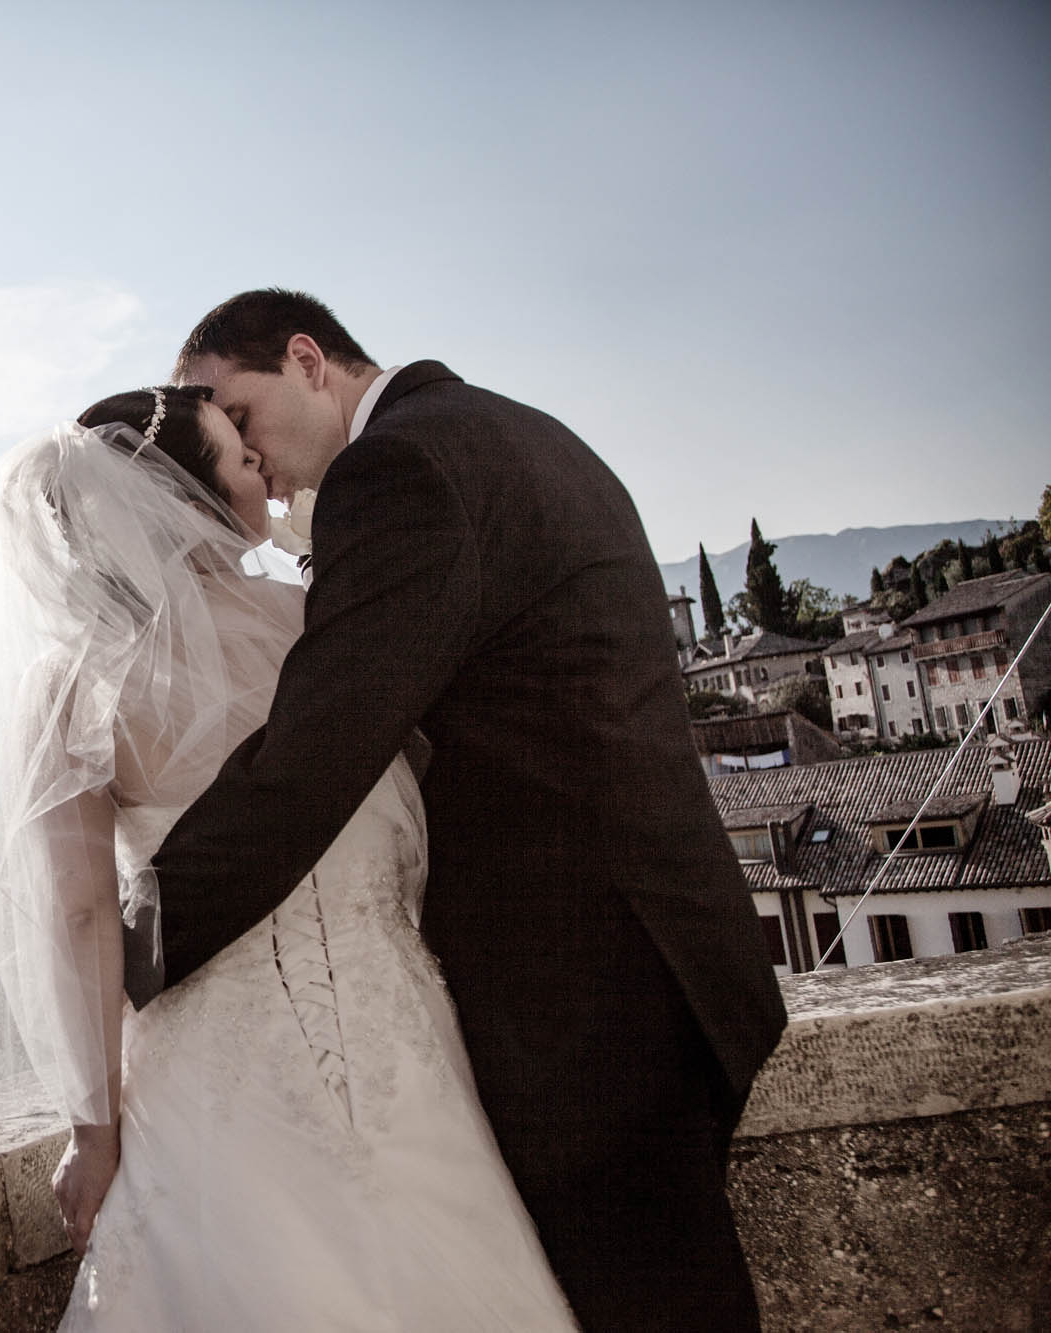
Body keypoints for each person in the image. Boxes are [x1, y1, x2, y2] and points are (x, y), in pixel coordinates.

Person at [134, 289, 790, 1331]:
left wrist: (138, 938)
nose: (247, 457)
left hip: (588, 999)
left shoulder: (396, 471)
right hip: (659, 953)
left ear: (307, 359)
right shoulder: (512, 428)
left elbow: (315, 751)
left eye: (241, 415)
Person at [0, 385, 577, 1329]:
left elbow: (80, 914)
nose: (261, 469)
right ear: (184, 497)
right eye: (240, 457)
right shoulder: (317, 622)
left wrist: (94, 1129)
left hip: (213, 1069)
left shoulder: (73, 689)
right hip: (397, 1034)